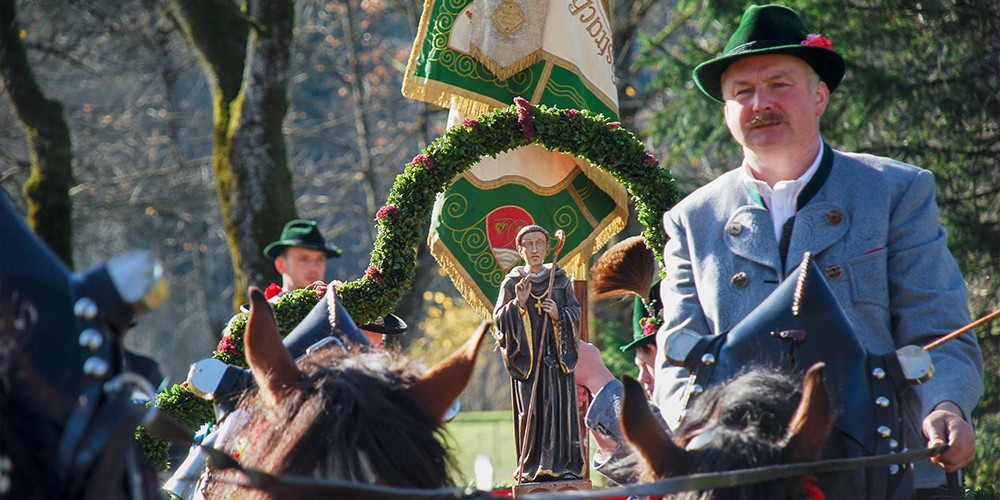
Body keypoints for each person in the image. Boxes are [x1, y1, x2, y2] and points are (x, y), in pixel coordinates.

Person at [654, 4, 983, 497]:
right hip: (748, 484)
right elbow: (679, 360)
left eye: (779, 84)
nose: (760, 102)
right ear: (725, 111)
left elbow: (939, 328)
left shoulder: (896, 192)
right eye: (741, 92)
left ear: (819, 97)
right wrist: (701, 436)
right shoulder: (690, 220)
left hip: (890, 473)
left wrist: (947, 406)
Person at [493, 224, 585, 483]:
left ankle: (565, 464)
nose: (534, 249)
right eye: (528, 244)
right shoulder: (512, 282)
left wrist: (559, 316)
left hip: (555, 361)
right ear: (520, 249)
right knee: (531, 413)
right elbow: (499, 320)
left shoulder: (561, 279)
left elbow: (575, 312)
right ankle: (532, 466)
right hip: (529, 363)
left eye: (539, 244)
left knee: (559, 409)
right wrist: (519, 305)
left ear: (547, 247)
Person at [262, 219, 342, 297]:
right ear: (281, 265)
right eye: (304, 259)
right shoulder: (267, 309)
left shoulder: (336, 307)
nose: (314, 268)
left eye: (320, 259)